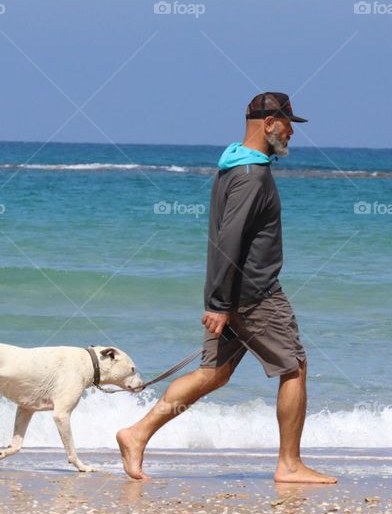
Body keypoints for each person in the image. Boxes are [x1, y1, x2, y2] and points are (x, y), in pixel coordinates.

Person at [117, 92, 337, 483]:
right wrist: (220, 305)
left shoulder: (232, 167)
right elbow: (229, 240)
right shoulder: (253, 177)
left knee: (212, 374)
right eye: (287, 124)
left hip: (232, 294)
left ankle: (137, 434)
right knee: (295, 367)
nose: (291, 132)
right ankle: (289, 465)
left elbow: (225, 237)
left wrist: (219, 301)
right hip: (256, 296)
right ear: (268, 123)